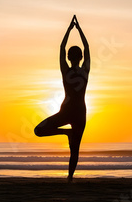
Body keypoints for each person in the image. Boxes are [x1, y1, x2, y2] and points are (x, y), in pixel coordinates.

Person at [34, 15, 90, 182]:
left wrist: (69, 29)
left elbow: (61, 47)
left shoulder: (66, 71)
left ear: (68, 58)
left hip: (67, 111)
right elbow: (87, 47)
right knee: (75, 150)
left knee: (39, 130)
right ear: (80, 58)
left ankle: (66, 133)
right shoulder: (84, 71)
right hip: (78, 112)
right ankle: (70, 178)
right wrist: (78, 29)